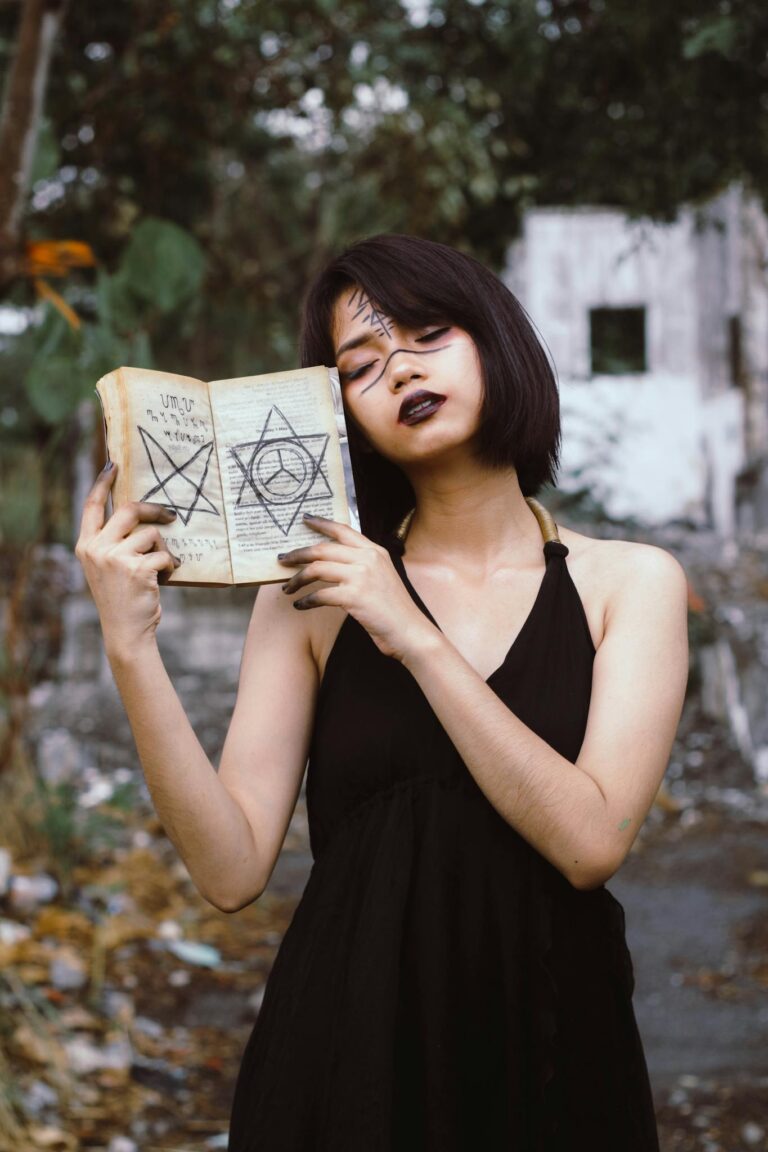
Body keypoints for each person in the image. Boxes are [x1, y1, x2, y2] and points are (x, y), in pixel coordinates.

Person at [76, 234, 689, 1150]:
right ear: (341, 413)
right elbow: (232, 869)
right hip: (345, 1055)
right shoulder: (312, 599)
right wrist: (131, 646)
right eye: (360, 366)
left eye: (429, 333)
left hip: (558, 1046)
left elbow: (589, 842)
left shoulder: (630, 583)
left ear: (497, 342)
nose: (399, 367)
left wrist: (408, 629)